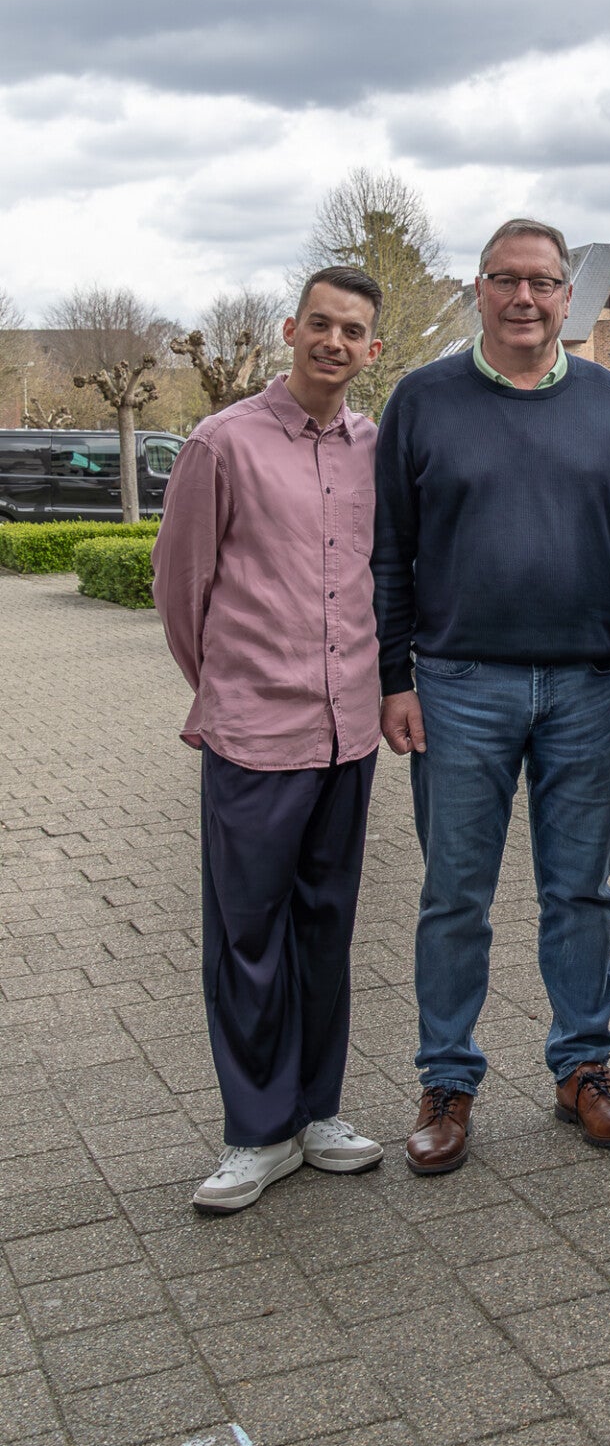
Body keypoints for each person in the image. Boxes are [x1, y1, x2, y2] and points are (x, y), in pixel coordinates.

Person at [373, 217, 610, 1176]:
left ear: (565, 296)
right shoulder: (422, 401)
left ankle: (582, 1067)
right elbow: (389, 551)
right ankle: (447, 1080)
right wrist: (394, 678)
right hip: (457, 686)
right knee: (454, 895)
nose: (524, 298)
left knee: (580, 891)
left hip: (587, 687)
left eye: (543, 282)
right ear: (478, 290)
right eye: (505, 279)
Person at [152, 266, 389, 1213]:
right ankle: (257, 1131)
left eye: (353, 331)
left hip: (349, 732)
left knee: (326, 930)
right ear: (291, 329)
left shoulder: (376, 447)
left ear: (372, 349)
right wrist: (229, 689)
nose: (334, 342)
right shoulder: (223, 443)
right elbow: (181, 587)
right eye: (320, 324)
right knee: (248, 936)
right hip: (255, 735)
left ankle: (317, 1111)